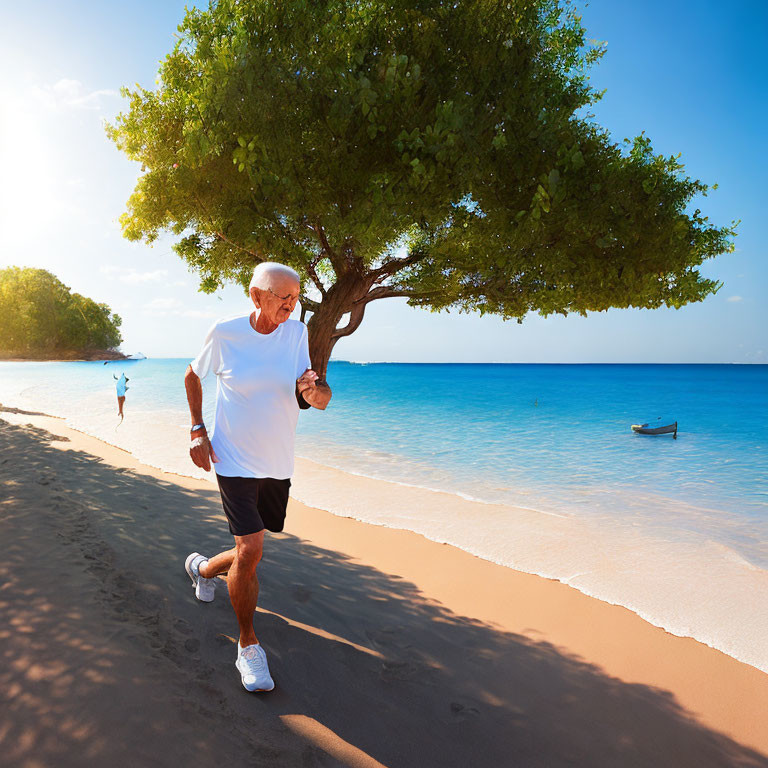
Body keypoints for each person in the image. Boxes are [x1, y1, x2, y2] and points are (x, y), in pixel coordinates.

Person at [183, 262, 331, 692]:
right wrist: (197, 429)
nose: (290, 303)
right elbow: (193, 374)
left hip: (277, 462)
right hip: (232, 459)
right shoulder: (225, 332)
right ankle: (248, 647)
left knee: (251, 552)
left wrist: (314, 392)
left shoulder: (297, 333)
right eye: (282, 296)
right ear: (256, 295)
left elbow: (314, 395)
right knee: (251, 549)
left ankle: (204, 570)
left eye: (295, 297)